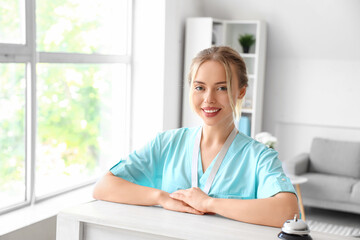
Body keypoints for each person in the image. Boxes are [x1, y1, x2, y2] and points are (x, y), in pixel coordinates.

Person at [93, 46, 299, 227]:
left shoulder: (260, 157)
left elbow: (288, 212)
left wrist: (209, 203)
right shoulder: (166, 143)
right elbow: (103, 187)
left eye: (222, 88)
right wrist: (161, 197)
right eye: (200, 87)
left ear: (241, 92)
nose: (208, 99)